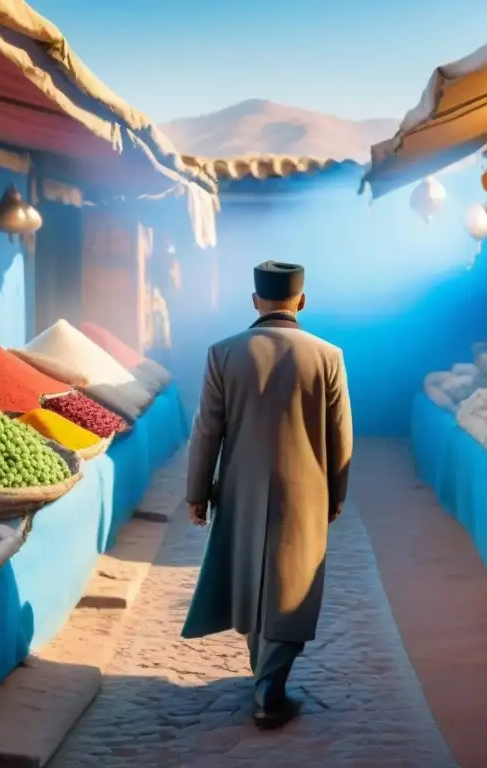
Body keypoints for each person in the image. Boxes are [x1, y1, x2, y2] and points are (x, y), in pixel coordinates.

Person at [182, 260, 354, 730]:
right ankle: (269, 690)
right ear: (301, 301)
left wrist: (197, 492)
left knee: (252, 579)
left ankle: (264, 680)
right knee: (290, 586)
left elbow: (206, 431)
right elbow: (341, 437)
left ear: (255, 301)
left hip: (239, 486)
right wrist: (335, 494)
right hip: (305, 491)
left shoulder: (223, 353)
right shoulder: (327, 355)